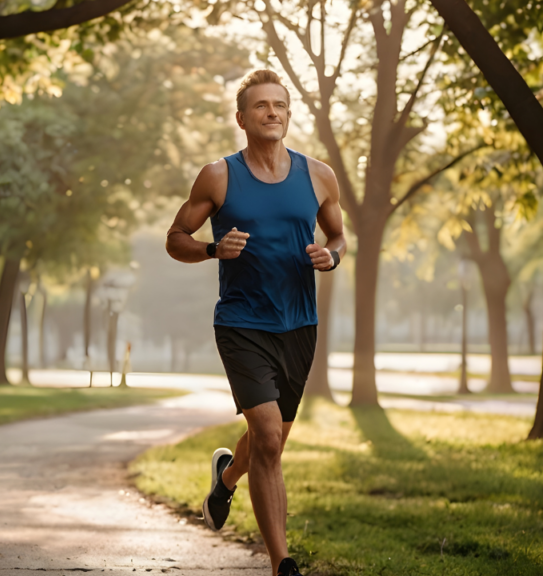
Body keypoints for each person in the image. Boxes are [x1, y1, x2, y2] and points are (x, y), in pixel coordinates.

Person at [165, 69, 346, 576]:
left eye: (280, 105)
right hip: (242, 321)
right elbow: (175, 236)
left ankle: (226, 479)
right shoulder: (218, 176)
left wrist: (331, 258)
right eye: (262, 105)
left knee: (273, 440)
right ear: (242, 117)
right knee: (267, 436)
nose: (273, 112)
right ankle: (281, 564)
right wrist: (210, 249)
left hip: (299, 325)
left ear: (288, 114)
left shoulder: (318, 175)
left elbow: (338, 237)